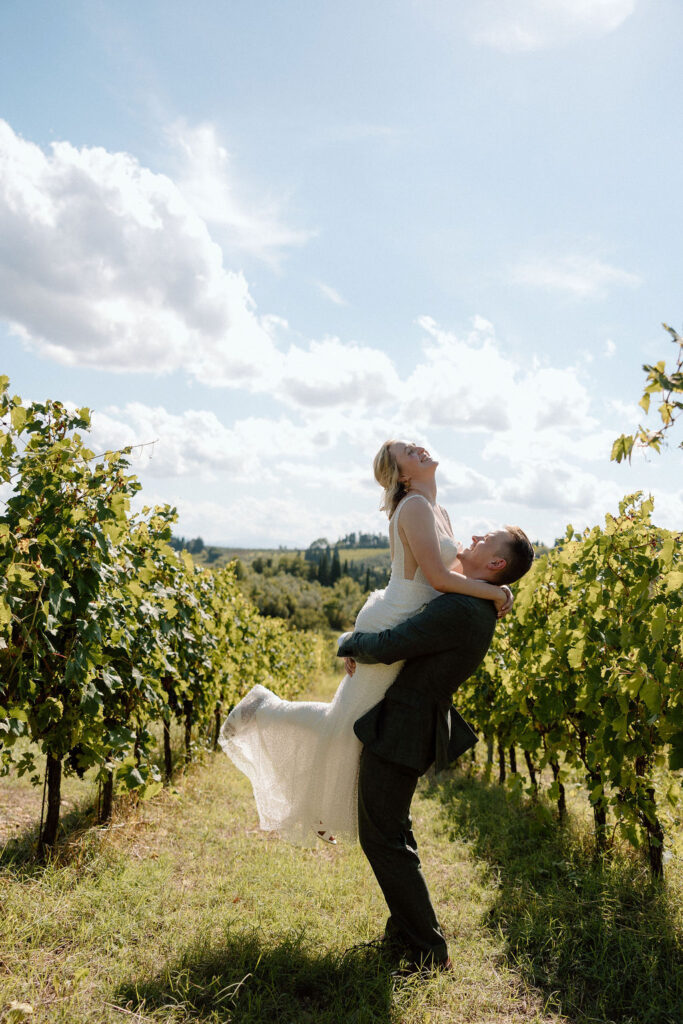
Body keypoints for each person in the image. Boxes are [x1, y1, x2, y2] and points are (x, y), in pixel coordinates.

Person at [218, 440, 515, 846]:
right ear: (404, 475)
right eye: (409, 452)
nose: (419, 449)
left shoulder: (439, 511)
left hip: (407, 618)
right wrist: (499, 595)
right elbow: (441, 579)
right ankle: (268, 715)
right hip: (394, 619)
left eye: (415, 444)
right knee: (350, 725)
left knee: (355, 722)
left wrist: (496, 587)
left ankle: (316, 801)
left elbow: (459, 572)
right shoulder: (413, 507)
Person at [337, 521, 534, 971]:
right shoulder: (472, 601)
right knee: (392, 831)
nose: (477, 535)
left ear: (496, 563)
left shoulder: (465, 610)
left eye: (486, 539)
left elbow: (392, 645)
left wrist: (347, 641)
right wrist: (500, 593)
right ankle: (408, 935)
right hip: (411, 720)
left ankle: (427, 950)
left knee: (383, 837)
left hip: (407, 724)